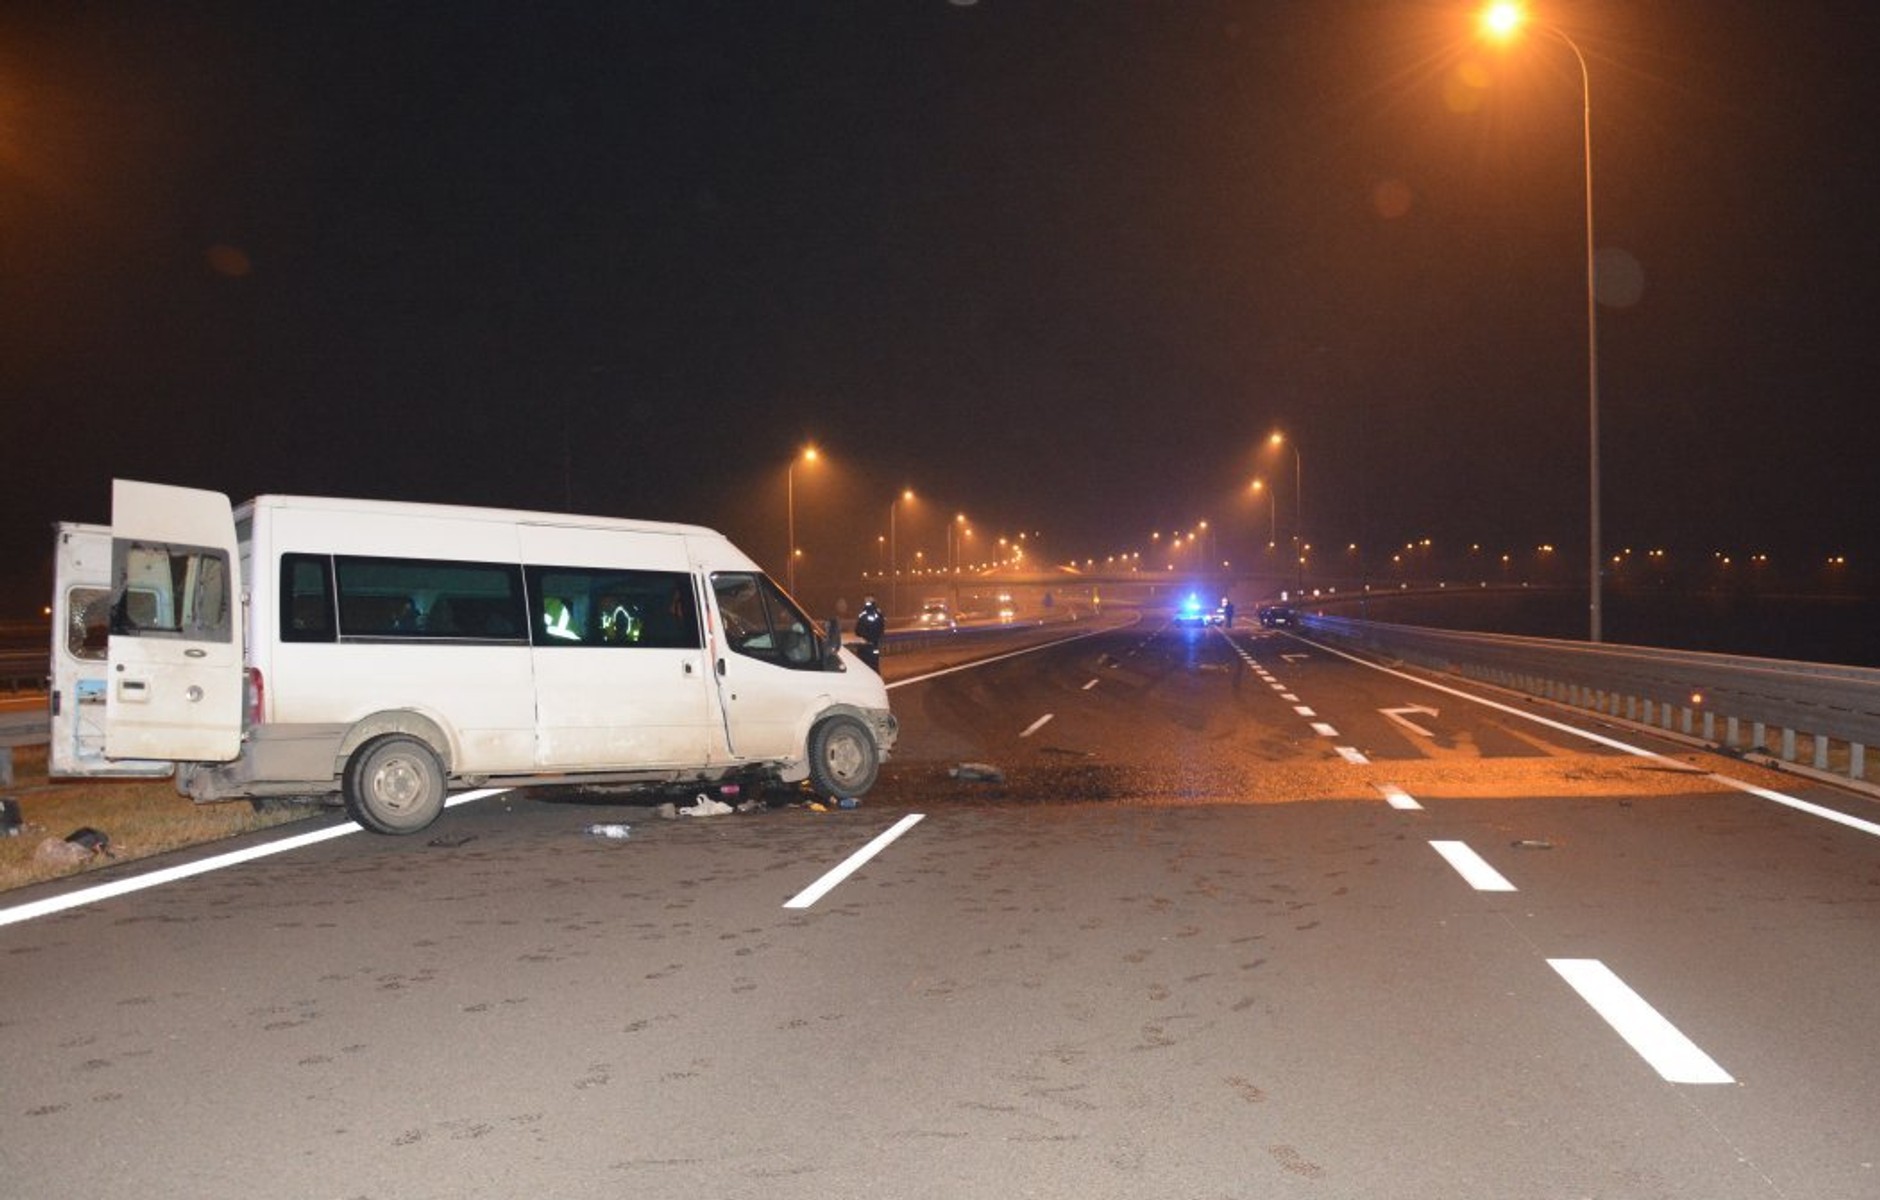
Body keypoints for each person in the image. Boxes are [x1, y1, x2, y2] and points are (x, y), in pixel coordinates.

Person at [854, 595, 885, 673]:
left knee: (863, 667)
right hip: (874, 644)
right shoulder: (878, 613)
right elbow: (881, 628)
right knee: (874, 666)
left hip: (863, 645)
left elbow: (857, 630)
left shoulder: (863, 613)